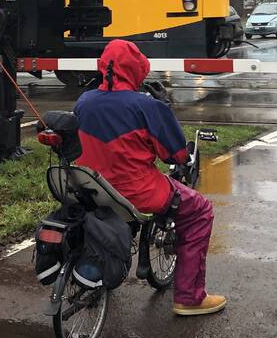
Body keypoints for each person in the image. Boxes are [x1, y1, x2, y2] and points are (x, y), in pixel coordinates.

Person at [73, 39, 226, 316]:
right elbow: (176, 155)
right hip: (137, 191)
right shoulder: (146, 107)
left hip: (92, 187)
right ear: (137, 69)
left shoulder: (84, 101)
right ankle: (190, 298)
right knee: (200, 210)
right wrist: (163, 107)